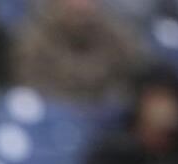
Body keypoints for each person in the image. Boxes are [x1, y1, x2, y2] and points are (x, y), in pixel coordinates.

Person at [13, 0, 147, 103]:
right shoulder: (35, 40)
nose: (81, 4)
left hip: (106, 114)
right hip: (57, 114)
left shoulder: (115, 34)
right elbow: (34, 88)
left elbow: (131, 74)